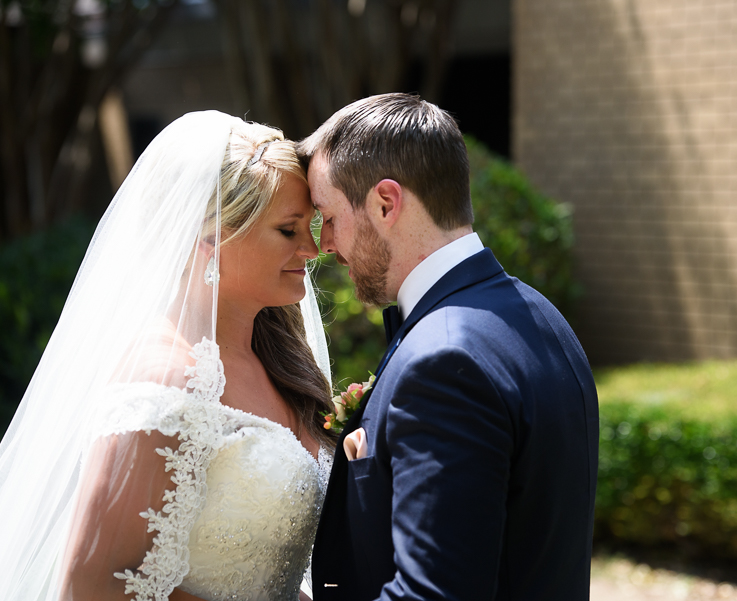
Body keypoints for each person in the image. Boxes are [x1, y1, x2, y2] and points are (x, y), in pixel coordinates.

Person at [0, 111, 335, 601]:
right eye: (288, 230)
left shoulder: (283, 364)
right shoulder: (161, 381)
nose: (312, 248)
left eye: (312, 226)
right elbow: (94, 583)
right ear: (210, 238)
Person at [298, 93, 600, 601]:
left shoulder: (444, 360)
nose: (325, 244)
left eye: (328, 216)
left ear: (386, 203)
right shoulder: (540, 315)